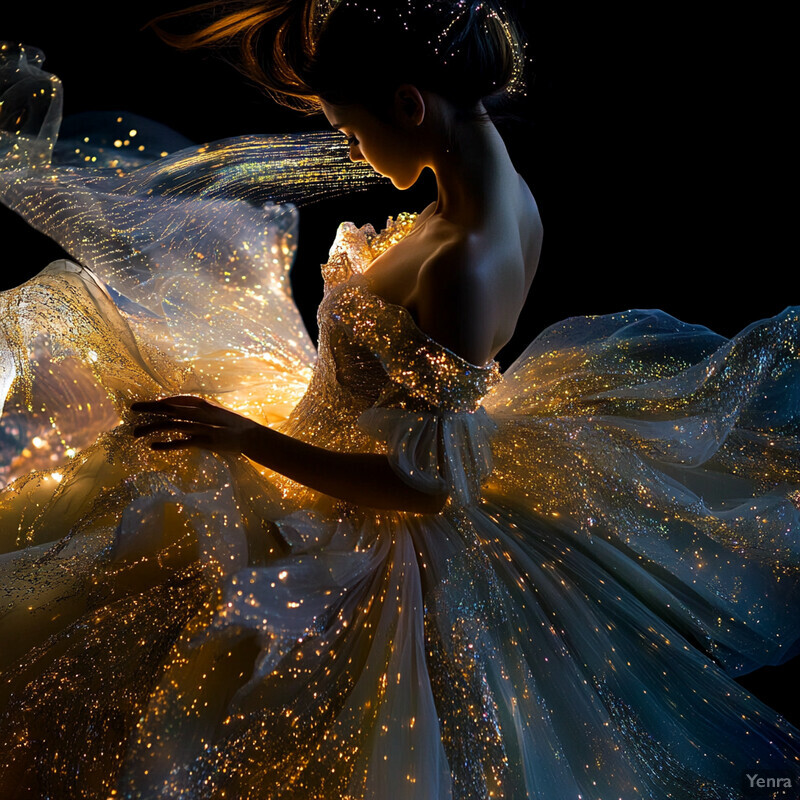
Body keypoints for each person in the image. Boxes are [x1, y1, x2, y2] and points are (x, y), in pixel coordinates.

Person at [0, 2, 798, 799]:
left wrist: (242, 436)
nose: (349, 150)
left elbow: (419, 486)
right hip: (335, 432)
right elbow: (421, 384)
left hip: (351, 508)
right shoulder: (495, 192)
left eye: (351, 129)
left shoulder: (466, 259)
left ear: (411, 106)